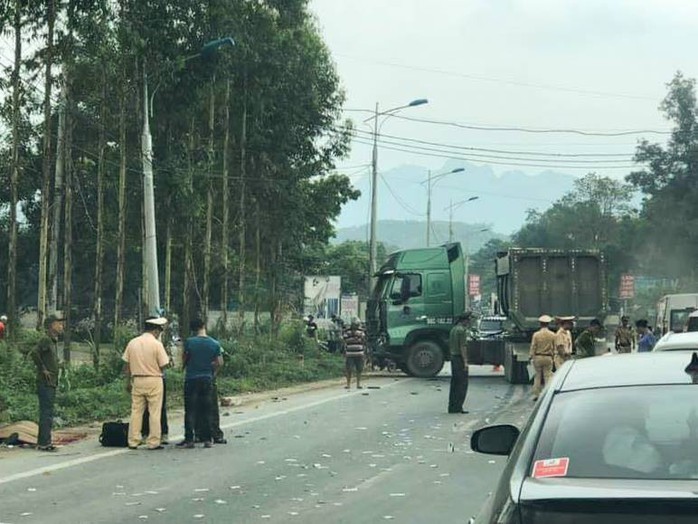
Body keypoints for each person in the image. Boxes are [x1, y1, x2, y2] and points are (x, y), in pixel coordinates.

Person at [122, 316, 170, 450]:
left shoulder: (133, 343)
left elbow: (127, 366)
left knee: (136, 411)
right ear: (155, 331)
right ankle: (153, 441)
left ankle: (133, 440)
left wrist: (128, 381)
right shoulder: (156, 344)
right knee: (154, 412)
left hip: (137, 380)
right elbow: (164, 364)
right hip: (154, 380)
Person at [177, 318, 223, 449]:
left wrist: (184, 367)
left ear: (192, 329)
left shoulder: (190, 342)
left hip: (191, 379)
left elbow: (185, 359)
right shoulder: (215, 343)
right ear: (203, 326)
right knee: (207, 409)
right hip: (207, 379)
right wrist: (213, 373)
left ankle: (189, 439)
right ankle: (208, 439)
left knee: (190, 409)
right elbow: (220, 362)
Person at [30, 313, 65, 452]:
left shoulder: (52, 341)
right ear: (51, 326)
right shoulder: (45, 340)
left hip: (52, 382)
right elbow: (34, 353)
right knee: (46, 412)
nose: (61, 326)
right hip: (45, 382)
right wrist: (43, 369)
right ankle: (44, 443)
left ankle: (44, 441)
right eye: (59, 324)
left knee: (48, 412)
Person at [448, 312, 473, 413]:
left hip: (453, 357)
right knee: (462, 384)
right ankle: (458, 407)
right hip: (459, 359)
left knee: (454, 383)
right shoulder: (462, 331)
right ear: (465, 320)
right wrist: (466, 362)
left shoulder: (453, 329)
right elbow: (463, 347)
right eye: (469, 319)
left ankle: (452, 406)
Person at [530, 315, 556, 400]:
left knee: (537, 376)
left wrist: (532, 357)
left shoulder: (536, 335)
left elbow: (533, 346)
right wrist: (553, 357)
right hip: (548, 357)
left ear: (540, 324)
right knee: (547, 376)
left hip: (538, 357)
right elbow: (554, 347)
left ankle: (536, 394)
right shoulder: (552, 335)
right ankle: (547, 393)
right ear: (548, 324)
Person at [342, 319, 366, 389]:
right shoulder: (347, 331)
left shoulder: (361, 331)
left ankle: (358, 384)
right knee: (349, 369)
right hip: (350, 353)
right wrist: (355, 339)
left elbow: (363, 339)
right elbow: (345, 340)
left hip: (359, 353)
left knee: (359, 369)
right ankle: (348, 384)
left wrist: (353, 339)